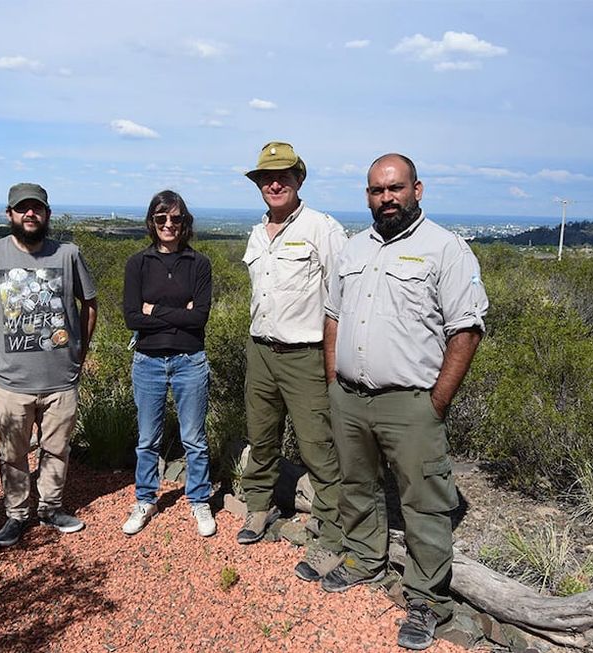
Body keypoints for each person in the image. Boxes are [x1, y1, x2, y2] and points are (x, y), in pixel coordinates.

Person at [322, 153, 488, 650]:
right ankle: (363, 559)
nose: (386, 198)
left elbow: (466, 330)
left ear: (418, 189)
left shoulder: (446, 249)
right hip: (351, 397)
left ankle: (427, 598)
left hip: (412, 403)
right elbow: (333, 315)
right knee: (358, 485)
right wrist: (334, 378)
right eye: (376, 190)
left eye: (395, 188)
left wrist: (435, 402)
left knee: (423, 501)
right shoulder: (352, 250)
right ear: (368, 195)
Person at [238, 141, 348, 582]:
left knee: (317, 447)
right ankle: (258, 509)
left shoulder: (323, 228)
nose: (275, 182)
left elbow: (342, 300)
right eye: (267, 177)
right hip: (260, 350)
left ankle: (330, 530)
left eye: (283, 175)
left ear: (299, 179)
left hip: (305, 354)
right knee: (261, 438)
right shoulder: (256, 231)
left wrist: (332, 362)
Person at [0, 182, 98, 548]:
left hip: (61, 377)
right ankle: (15, 514)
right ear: (9, 214)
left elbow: (89, 303)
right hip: (11, 380)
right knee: (11, 452)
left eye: (37, 208)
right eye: (22, 208)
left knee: (57, 448)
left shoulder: (68, 254)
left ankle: (51, 507)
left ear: (47, 213)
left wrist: (80, 351)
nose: (30, 214)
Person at [120, 190, 215, 537]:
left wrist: (154, 310)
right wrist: (179, 314)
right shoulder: (138, 264)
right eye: (161, 219)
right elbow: (132, 317)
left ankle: (199, 500)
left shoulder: (199, 264)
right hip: (148, 361)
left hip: (190, 360)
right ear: (152, 222)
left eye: (175, 218)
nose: (169, 224)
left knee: (194, 438)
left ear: (185, 222)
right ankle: (145, 499)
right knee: (147, 439)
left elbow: (200, 317)